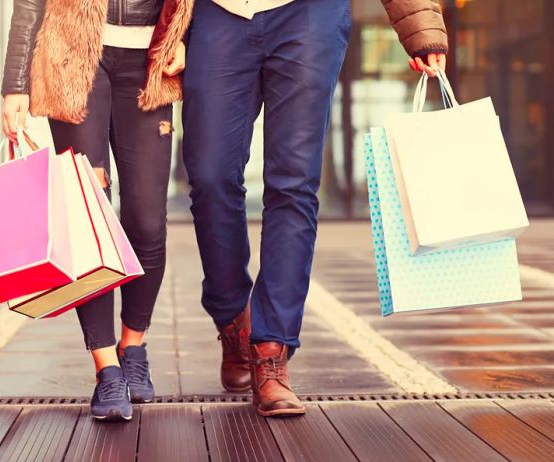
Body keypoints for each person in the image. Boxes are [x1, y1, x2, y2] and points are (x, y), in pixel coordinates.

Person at [182, 0, 448, 416]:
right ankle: (233, 316)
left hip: (309, 15)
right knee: (210, 176)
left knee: (293, 184)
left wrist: (422, 27)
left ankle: (271, 352)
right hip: (220, 13)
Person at [1, 0, 192, 421]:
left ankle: (133, 345)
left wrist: (187, 40)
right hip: (74, 55)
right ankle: (106, 367)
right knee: (89, 219)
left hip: (151, 62)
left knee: (146, 221)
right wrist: (15, 83)